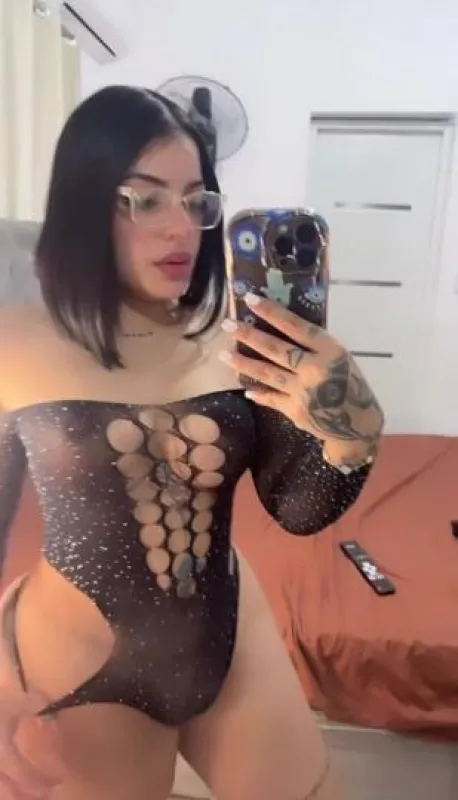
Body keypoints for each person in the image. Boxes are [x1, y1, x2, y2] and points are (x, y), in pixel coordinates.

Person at [0, 85, 383, 800]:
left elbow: (298, 509)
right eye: (145, 200)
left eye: (196, 200)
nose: (181, 228)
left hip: (230, 640)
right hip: (76, 659)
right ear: (86, 204)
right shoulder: (12, 343)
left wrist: (351, 432)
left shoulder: (236, 341)